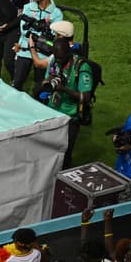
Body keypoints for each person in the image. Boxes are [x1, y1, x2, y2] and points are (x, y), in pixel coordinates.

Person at [33, 24, 94, 168]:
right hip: (53, 112)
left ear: (68, 53)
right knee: (49, 150)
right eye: (57, 58)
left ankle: (65, 181)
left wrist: (64, 89)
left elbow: (85, 97)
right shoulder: (55, 60)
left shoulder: (81, 68)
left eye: (61, 58)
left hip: (70, 117)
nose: (58, 61)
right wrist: (45, 83)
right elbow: (48, 78)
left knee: (64, 153)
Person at [12, 0, 62, 92]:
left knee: (40, 87)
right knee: (17, 84)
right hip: (24, 52)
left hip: (43, 55)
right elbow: (24, 30)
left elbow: (52, 35)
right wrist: (41, 31)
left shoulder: (57, 13)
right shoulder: (28, 7)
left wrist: (35, 31)